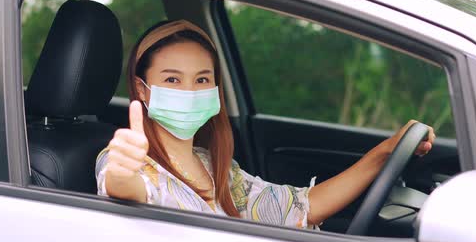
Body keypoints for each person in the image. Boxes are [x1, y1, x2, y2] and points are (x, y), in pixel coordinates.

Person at [95, 19, 435, 230]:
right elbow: (124, 187)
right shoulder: (127, 158)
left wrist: (386, 152)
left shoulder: (217, 168)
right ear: (143, 89)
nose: (189, 91)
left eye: (202, 80)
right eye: (172, 79)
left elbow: (303, 207)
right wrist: (122, 174)